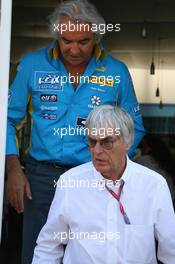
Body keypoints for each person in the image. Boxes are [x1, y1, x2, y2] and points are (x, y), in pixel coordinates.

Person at [5, 0, 145, 263]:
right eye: (66, 40)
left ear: (97, 37)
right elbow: (6, 120)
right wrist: (12, 169)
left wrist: (113, 168)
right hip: (41, 179)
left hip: (95, 178)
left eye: (83, 41)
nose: (73, 49)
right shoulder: (32, 66)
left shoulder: (116, 72)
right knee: (39, 251)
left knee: (90, 253)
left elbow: (134, 129)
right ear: (56, 35)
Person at [32, 105, 175, 264]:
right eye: (92, 142)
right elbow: (48, 247)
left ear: (127, 143)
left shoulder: (154, 185)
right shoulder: (70, 183)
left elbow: (171, 251)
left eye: (107, 142)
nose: (97, 150)